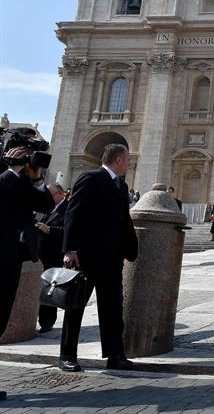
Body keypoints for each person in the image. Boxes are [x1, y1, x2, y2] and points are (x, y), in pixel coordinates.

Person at [60, 143, 138, 372]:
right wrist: (70, 249)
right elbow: (73, 214)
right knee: (76, 307)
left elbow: (123, 220)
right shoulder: (90, 178)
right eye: (126, 159)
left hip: (112, 258)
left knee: (113, 308)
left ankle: (115, 354)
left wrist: (129, 246)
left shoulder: (121, 186)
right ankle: (68, 355)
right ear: (118, 160)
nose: (128, 162)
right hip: (86, 257)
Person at [0, 142, 55, 401]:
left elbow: (45, 204)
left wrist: (36, 177)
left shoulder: (20, 183)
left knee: (1, 317)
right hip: (3, 258)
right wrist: (16, 168)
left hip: (12, 258)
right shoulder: (6, 180)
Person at [35, 183, 68, 333]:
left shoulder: (68, 208)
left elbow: (70, 231)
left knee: (49, 288)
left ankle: (46, 322)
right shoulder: (43, 206)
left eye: (51, 194)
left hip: (54, 255)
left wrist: (50, 230)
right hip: (37, 253)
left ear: (61, 194)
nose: (47, 197)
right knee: (35, 287)